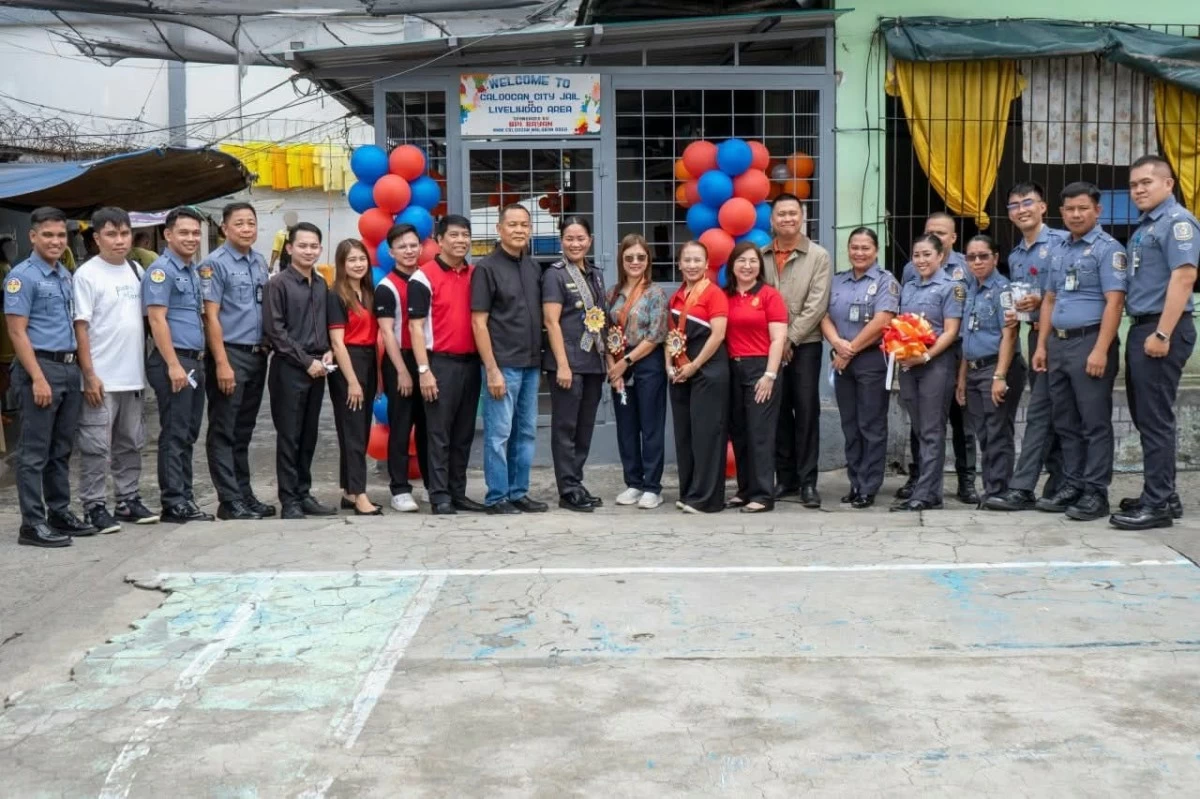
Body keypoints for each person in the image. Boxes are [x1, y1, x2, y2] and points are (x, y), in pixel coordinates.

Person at [1110, 154, 1198, 530]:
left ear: (1168, 184)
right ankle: (1162, 493)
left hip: (1162, 329)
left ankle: (1158, 503)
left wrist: (1162, 333)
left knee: (1155, 419)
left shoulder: (1177, 223)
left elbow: (1184, 277)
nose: (1138, 190)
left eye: (1146, 182)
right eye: (1133, 185)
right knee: (1147, 417)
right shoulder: (1148, 226)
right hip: (1144, 327)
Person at [1029, 182, 1126, 522]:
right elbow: (1050, 299)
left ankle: (1096, 492)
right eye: (1069, 209)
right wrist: (1042, 345)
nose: (1075, 214)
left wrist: (1100, 349)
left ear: (1097, 210)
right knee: (1066, 421)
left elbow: (1115, 302)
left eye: (1082, 208)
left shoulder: (1107, 249)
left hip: (1090, 342)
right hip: (1058, 343)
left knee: (1093, 422)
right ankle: (1073, 484)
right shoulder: (1059, 250)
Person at [5, 207, 97, 546]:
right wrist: (37, 377)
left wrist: (82, 371)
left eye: (61, 235)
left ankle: (59, 512)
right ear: (33, 236)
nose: (56, 241)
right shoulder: (22, 276)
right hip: (40, 370)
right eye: (48, 235)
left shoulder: (64, 275)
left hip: (68, 370)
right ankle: (32, 523)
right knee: (34, 452)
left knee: (61, 449)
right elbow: (17, 332)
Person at [73, 207, 159, 534]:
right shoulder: (86, 275)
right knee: (96, 445)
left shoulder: (136, 270)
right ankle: (94, 506)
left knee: (131, 442)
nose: (119, 240)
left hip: (132, 375)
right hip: (101, 378)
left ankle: (127, 500)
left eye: (124, 233)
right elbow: (81, 328)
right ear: (97, 238)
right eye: (111, 234)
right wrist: (89, 375)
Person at [986, 183, 1067, 511]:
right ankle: (1057, 482)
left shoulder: (1062, 243)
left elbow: (1071, 291)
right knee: (1046, 411)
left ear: (1043, 206)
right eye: (1014, 205)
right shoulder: (1017, 254)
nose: (1021, 209)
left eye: (1028, 202)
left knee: (1049, 413)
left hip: (1062, 336)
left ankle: (1025, 487)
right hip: (1035, 337)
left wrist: (1045, 301)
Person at [471, 204, 549, 515]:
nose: (519, 230)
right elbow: (479, 322)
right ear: (499, 229)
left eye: (524, 225)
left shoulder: (533, 268)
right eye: (512, 224)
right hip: (502, 365)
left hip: (531, 364)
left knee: (526, 432)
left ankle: (519, 492)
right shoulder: (486, 269)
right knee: (499, 435)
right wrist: (491, 370)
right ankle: (497, 496)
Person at [896, 212, 977, 504]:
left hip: (938, 363)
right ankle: (925, 488)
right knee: (920, 428)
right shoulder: (908, 284)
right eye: (917, 255)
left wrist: (926, 356)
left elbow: (951, 330)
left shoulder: (952, 286)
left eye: (927, 254)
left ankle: (929, 493)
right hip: (909, 364)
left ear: (941, 255)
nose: (921, 260)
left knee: (935, 429)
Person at [408, 215, 487, 515]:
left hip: (470, 364)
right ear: (439, 240)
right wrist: (424, 370)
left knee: (463, 433)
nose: (461, 241)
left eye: (465, 235)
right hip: (439, 364)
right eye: (454, 235)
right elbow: (416, 328)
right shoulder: (423, 277)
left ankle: (458, 492)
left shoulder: (475, 274)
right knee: (438, 433)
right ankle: (439, 495)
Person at [201, 202, 274, 521]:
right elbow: (211, 316)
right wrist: (221, 362)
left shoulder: (258, 262)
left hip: (257, 355)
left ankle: (244, 494)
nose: (247, 229)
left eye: (251, 223)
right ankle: (228, 501)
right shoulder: (213, 264)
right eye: (240, 224)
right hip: (229, 353)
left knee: (244, 430)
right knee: (224, 429)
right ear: (225, 229)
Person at [143, 206, 214, 524]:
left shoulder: (191, 270)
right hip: (175, 361)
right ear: (168, 234)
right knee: (174, 432)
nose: (191, 238)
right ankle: (173, 502)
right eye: (183, 232)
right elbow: (156, 319)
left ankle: (184, 496)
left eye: (196, 233)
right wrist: (173, 364)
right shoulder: (162, 270)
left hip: (194, 361)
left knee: (187, 433)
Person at [761, 194, 832, 508]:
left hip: (806, 345)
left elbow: (817, 304)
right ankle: (785, 477)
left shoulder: (818, 256)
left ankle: (807, 482)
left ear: (802, 218)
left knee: (805, 411)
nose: (787, 219)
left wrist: (789, 339)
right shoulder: (761, 255)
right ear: (773, 220)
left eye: (793, 213)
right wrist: (776, 341)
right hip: (768, 345)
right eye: (781, 214)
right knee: (776, 412)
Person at [820, 227, 899, 509]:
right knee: (850, 425)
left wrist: (849, 350)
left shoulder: (885, 281)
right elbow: (824, 315)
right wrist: (837, 343)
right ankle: (855, 482)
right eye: (855, 247)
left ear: (875, 250)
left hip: (870, 361)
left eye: (866, 248)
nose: (859, 252)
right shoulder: (838, 281)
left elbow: (883, 322)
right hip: (841, 358)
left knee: (871, 425)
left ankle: (869, 485)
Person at [264, 222, 338, 520]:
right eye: (303, 245)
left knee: (309, 434)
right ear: (290, 248)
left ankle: (304, 493)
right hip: (290, 369)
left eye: (314, 246)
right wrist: (306, 361)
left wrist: (327, 352)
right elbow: (275, 331)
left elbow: (323, 326)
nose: (309, 251)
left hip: (319, 368)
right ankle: (289, 500)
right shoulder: (277, 284)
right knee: (289, 435)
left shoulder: (321, 284)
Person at [542, 216, 608, 512]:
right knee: (565, 427)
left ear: (589, 241)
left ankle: (576, 482)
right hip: (568, 363)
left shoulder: (595, 273)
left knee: (584, 428)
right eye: (569, 238)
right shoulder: (555, 275)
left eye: (580, 238)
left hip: (592, 361)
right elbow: (551, 322)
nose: (575, 243)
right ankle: (567, 489)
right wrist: (563, 364)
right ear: (562, 241)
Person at [956, 235, 1026, 507]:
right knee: (983, 431)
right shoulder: (972, 289)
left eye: (983, 256)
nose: (977, 261)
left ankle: (998, 490)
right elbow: (967, 337)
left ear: (996, 258)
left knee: (997, 431)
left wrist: (999, 376)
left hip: (997, 367)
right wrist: (962, 378)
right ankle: (992, 488)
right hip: (974, 370)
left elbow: (1010, 334)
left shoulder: (1003, 290)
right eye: (971, 257)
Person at [724, 242, 788, 513]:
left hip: (761, 368)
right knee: (739, 432)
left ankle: (763, 494)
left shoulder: (769, 296)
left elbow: (778, 338)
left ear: (760, 266)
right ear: (732, 265)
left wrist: (770, 375)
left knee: (759, 433)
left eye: (752, 261)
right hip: (731, 369)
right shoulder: (724, 295)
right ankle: (745, 488)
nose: (747, 266)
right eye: (741, 261)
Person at [606, 233, 669, 510]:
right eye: (629, 257)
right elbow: (605, 333)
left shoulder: (655, 293)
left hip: (647, 364)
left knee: (651, 427)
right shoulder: (612, 293)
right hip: (618, 365)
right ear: (621, 259)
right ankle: (633, 482)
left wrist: (626, 362)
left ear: (648, 260)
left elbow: (656, 335)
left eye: (640, 257)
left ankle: (652, 487)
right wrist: (613, 368)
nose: (635, 262)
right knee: (626, 428)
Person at [668, 240, 730, 513]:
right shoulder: (676, 296)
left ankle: (708, 499)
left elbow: (718, 334)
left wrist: (695, 366)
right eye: (687, 260)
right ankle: (690, 491)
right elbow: (671, 338)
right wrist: (670, 366)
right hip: (681, 373)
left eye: (697, 261)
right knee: (686, 435)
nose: (692, 265)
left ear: (707, 265)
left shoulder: (714, 293)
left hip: (708, 370)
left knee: (707, 435)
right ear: (679, 264)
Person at [375, 223, 430, 513]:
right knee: (400, 426)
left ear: (421, 247)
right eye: (402, 246)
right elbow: (386, 333)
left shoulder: (426, 278)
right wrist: (402, 371)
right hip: (400, 361)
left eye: (413, 245)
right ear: (391, 251)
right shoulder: (386, 287)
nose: (409, 251)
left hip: (427, 361)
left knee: (428, 426)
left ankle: (434, 484)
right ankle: (399, 489)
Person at [327, 238, 382, 516]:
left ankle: (350, 490)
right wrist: (352, 381)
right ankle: (360, 494)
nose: (358, 264)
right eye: (351, 260)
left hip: (370, 361)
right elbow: (337, 343)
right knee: (353, 433)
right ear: (342, 264)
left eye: (362, 259)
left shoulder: (368, 292)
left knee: (359, 428)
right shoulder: (337, 294)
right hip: (349, 363)